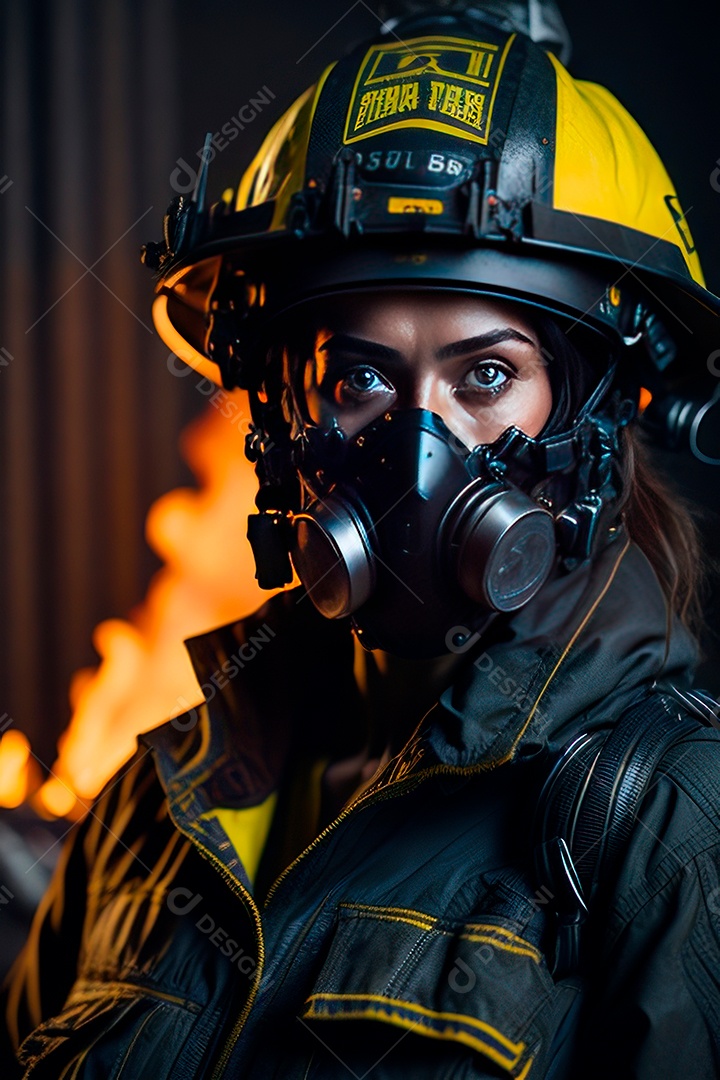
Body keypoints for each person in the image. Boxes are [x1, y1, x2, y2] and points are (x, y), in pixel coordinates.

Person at [3, 1, 720, 1076]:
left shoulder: (665, 824)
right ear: (283, 414)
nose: (414, 452)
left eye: (486, 376)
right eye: (360, 378)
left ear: (595, 420)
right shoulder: (151, 808)